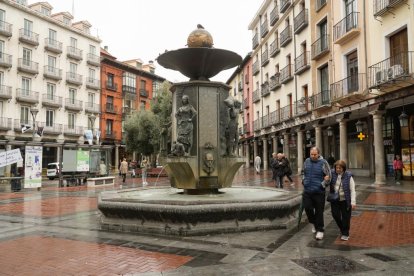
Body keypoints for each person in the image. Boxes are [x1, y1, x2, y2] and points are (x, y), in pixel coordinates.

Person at [302, 147, 331, 240]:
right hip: (307, 191)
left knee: (319, 211)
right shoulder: (306, 161)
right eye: (311, 154)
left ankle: (320, 230)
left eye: (315, 154)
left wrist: (322, 184)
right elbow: (303, 172)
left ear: (318, 154)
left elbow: (329, 176)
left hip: (319, 191)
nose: (313, 156)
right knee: (307, 208)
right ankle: (314, 223)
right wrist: (304, 181)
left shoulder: (323, 162)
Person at [328, 160, 356, 241]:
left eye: (340, 168)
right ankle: (342, 228)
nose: (338, 169)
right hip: (335, 199)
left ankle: (345, 233)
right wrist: (326, 179)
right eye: (336, 168)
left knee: (346, 218)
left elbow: (352, 189)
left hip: (345, 200)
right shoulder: (332, 173)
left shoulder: (348, 176)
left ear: (343, 168)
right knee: (335, 215)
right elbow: (327, 182)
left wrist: (353, 202)